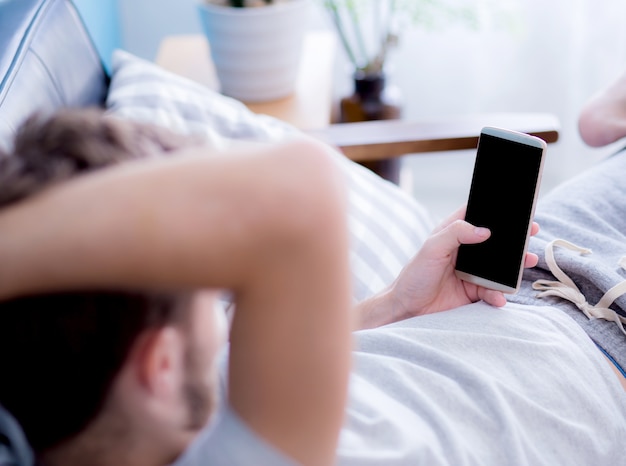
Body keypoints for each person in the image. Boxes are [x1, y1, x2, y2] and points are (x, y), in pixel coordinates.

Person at [0, 107, 625, 466]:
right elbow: (293, 190)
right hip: (608, 341)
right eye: (215, 302)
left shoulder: (136, 411)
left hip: (540, 270)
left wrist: (394, 306)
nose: (226, 321)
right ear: (158, 367)